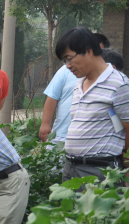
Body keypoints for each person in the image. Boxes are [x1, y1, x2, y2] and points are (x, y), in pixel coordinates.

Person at [56, 27, 129, 183]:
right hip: (71, 168)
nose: (67, 65)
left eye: (69, 58)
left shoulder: (119, 84)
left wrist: (127, 170)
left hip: (99, 170)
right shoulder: (79, 84)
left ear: (88, 51)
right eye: (64, 60)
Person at [39, 66, 77, 144]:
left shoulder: (103, 71)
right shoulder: (66, 70)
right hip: (61, 134)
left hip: (90, 136)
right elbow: (52, 97)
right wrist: (45, 123)